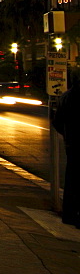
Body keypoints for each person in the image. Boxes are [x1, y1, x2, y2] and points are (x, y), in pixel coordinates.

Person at [53, 85, 80, 227]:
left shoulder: (66, 96)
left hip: (72, 143)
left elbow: (57, 122)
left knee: (72, 179)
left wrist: (68, 137)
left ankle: (69, 213)